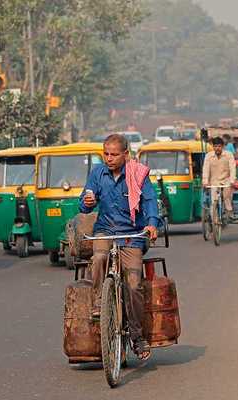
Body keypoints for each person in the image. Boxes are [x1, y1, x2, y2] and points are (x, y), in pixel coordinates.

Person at [79, 133, 159, 361]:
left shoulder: (138, 174)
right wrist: (86, 203)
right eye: (106, 154)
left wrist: (152, 224)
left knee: (133, 285)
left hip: (131, 235)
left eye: (114, 154)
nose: (109, 158)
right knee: (100, 257)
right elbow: (82, 205)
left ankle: (136, 335)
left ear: (125, 155)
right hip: (105, 230)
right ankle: (98, 302)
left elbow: (150, 202)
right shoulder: (97, 173)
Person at [203, 137, 236, 218]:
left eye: (219, 146)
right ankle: (214, 219)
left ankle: (229, 210)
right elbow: (205, 169)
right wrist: (205, 181)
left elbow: (232, 168)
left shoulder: (228, 155)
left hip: (226, 180)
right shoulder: (208, 156)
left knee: (226, 196)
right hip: (214, 181)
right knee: (213, 200)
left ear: (222, 146)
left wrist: (232, 180)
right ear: (213, 147)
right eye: (215, 146)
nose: (217, 148)